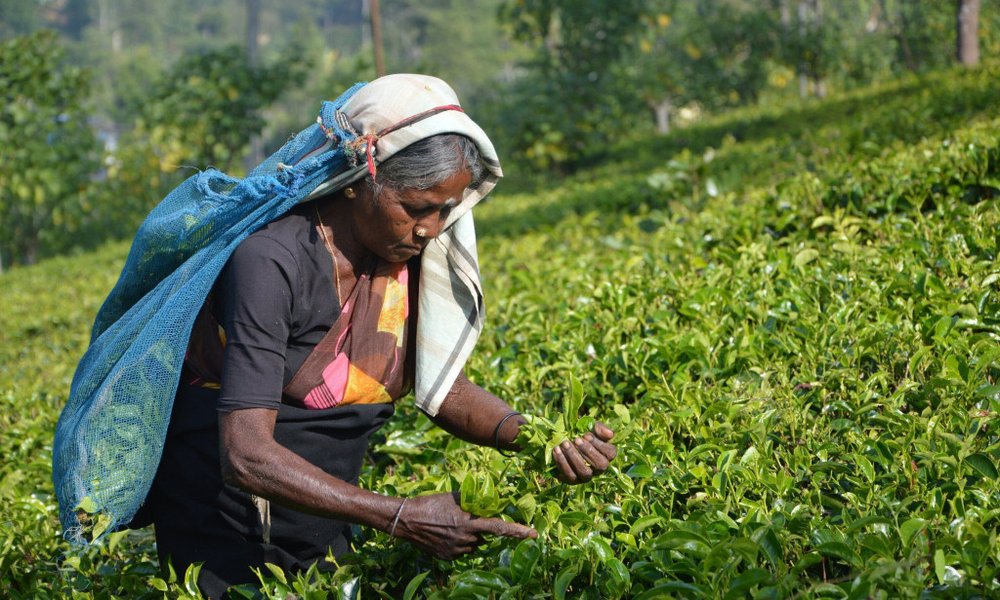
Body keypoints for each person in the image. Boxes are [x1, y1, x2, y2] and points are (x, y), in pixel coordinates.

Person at [141, 74, 618, 598]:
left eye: (444, 210)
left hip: (328, 507)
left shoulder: (404, 257)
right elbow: (246, 453)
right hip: (223, 521)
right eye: (415, 208)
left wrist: (542, 441)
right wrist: (401, 516)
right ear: (357, 180)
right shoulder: (271, 260)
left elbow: (444, 389)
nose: (430, 229)